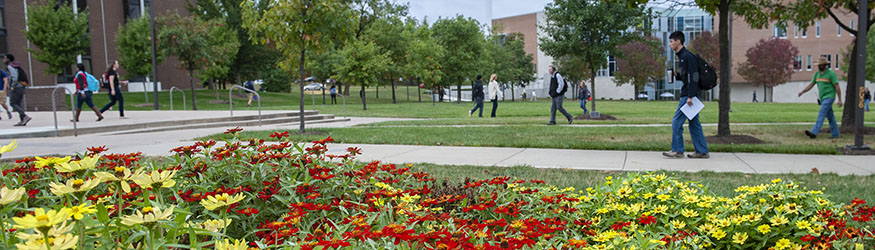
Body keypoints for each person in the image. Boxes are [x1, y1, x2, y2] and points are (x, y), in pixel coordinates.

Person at [663, 31, 709, 159]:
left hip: (688, 95)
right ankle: (702, 151)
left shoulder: (687, 56)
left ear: (678, 42)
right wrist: (677, 76)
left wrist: (690, 96)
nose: (670, 44)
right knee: (694, 123)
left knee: (676, 122)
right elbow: (687, 77)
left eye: (671, 41)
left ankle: (677, 150)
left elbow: (694, 77)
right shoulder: (682, 56)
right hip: (690, 94)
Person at [798, 57, 842, 139]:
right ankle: (835, 134)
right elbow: (811, 84)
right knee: (830, 117)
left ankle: (814, 132)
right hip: (822, 98)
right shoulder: (817, 74)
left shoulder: (831, 74)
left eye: (821, 65)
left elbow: (837, 86)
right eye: (818, 65)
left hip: (829, 97)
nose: (819, 66)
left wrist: (839, 99)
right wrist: (803, 91)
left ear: (825, 65)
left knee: (822, 112)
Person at [5, 54, 31, 126]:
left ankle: (24, 116)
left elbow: (14, 77)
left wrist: (12, 86)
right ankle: (23, 120)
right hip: (21, 86)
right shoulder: (16, 66)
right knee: (18, 104)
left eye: (5, 58)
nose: (4, 60)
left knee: (12, 103)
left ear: (8, 59)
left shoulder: (10, 67)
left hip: (16, 87)